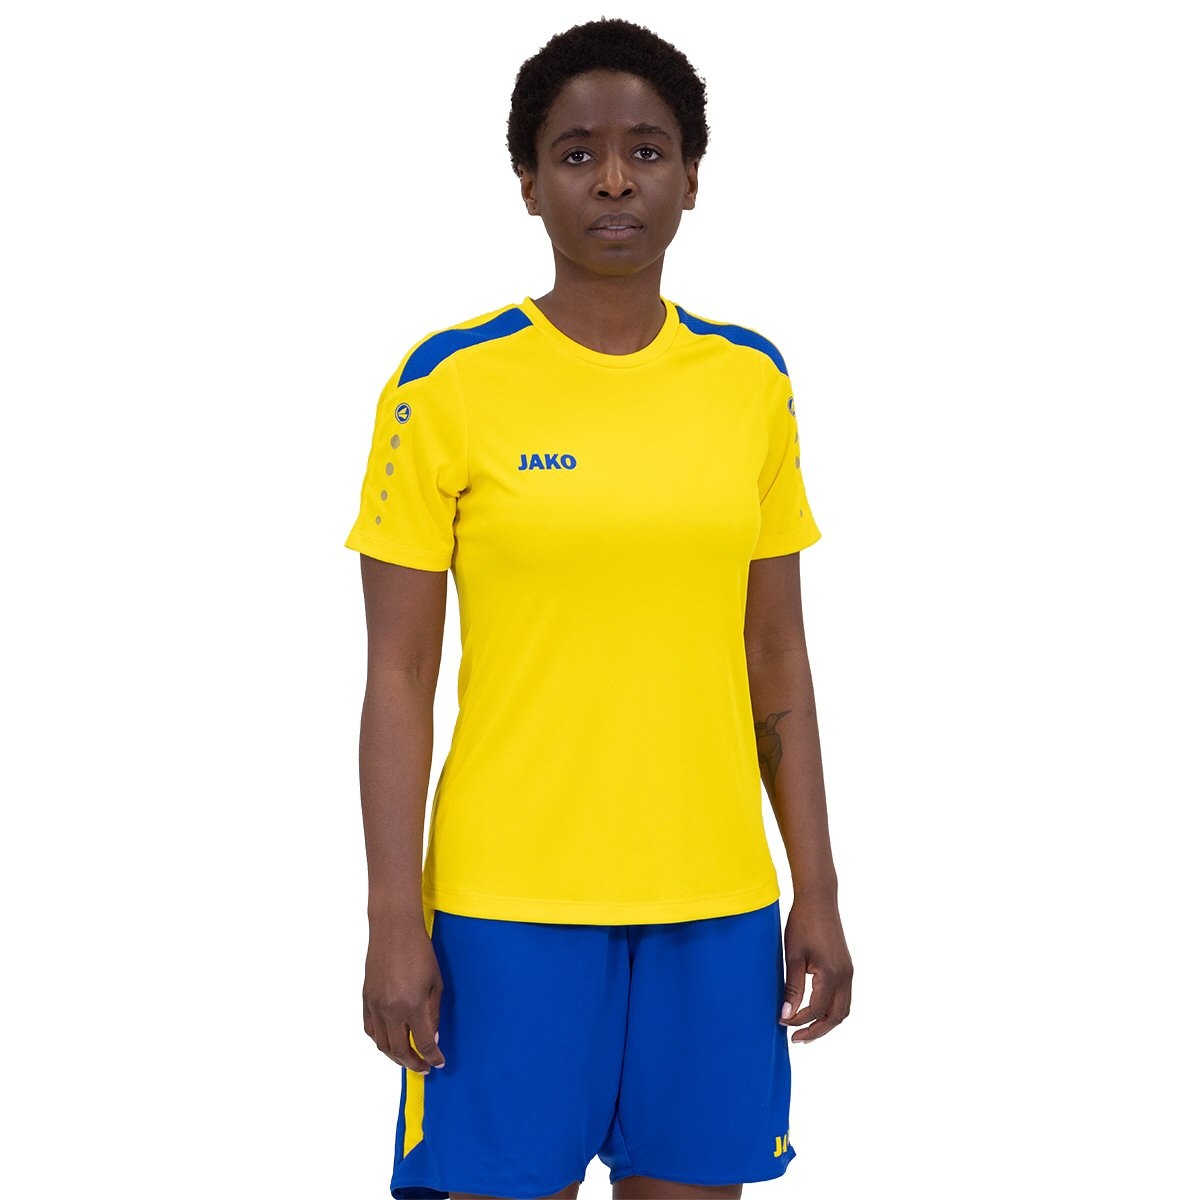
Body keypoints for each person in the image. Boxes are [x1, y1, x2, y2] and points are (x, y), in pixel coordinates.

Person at [344, 18, 853, 1200]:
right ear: (528, 184)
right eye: (576, 154)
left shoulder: (751, 382)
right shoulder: (446, 384)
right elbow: (398, 677)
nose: (615, 179)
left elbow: (775, 653)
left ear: (692, 178)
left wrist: (817, 889)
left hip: (717, 905)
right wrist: (392, 917)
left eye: (647, 150)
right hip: (506, 909)